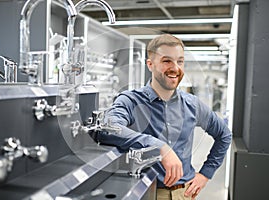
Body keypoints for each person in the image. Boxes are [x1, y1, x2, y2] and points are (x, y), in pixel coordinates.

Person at [92, 34, 232, 200]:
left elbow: (224, 134)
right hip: (146, 192)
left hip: (184, 193)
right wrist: (159, 147)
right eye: (167, 61)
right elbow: (108, 127)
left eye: (180, 61)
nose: (175, 68)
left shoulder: (193, 105)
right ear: (150, 65)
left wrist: (205, 174)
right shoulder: (131, 100)